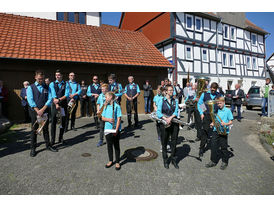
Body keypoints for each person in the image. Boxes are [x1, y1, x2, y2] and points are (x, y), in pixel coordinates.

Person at [27, 70, 58, 157]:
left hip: (44, 111)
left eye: (42, 79)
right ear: (35, 77)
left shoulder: (47, 87)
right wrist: (38, 110)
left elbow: (50, 98)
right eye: (39, 79)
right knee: (34, 130)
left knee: (45, 129)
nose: (41, 80)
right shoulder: (31, 87)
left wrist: (43, 109)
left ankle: (48, 145)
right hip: (34, 112)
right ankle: (33, 148)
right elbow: (30, 100)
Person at [205, 96, 233, 170]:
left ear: (224, 102)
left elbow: (231, 121)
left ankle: (225, 161)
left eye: (220, 103)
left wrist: (225, 124)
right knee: (213, 146)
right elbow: (215, 120)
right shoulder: (216, 110)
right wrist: (212, 123)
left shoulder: (227, 111)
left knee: (224, 147)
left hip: (223, 132)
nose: (219, 105)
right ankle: (213, 161)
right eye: (217, 103)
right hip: (215, 130)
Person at [197, 82, 223, 158]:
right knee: (204, 132)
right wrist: (202, 112)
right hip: (207, 115)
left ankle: (215, 149)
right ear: (210, 88)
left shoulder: (219, 95)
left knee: (216, 133)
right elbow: (200, 103)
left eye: (214, 90)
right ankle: (201, 149)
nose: (213, 91)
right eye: (212, 90)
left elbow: (221, 106)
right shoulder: (205, 94)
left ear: (216, 89)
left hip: (215, 116)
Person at [157, 85, 179, 169]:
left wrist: (170, 118)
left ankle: (173, 159)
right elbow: (158, 112)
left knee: (174, 142)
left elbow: (176, 111)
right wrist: (165, 119)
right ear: (166, 91)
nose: (171, 92)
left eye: (172, 90)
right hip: (164, 124)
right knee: (164, 142)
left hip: (174, 123)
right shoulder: (161, 100)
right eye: (170, 90)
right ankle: (165, 160)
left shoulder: (175, 100)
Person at [102, 92, 122, 171]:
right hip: (107, 129)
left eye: (106, 97)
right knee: (109, 145)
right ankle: (110, 160)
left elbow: (119, 119)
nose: (105, 98)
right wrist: (108, 119)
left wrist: (116, 130)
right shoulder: (105, 107)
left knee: (116, 145)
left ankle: (117, 162)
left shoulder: (117, 106)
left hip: (115, 129)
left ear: (110, 97)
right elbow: (102, 118)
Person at [49, 70, 70, 145]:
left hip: (63, 105)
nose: (57, 76)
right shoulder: (52, 84)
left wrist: (59, 99)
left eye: (59, 75)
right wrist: (56, 103)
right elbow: (53, 94)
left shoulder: (66, 83)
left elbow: (67, 94)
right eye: (56, 75)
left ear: (61, 76)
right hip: (54, 105)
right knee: (53, 122)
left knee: (62, 122)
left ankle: (60, 138)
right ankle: (52, 140)